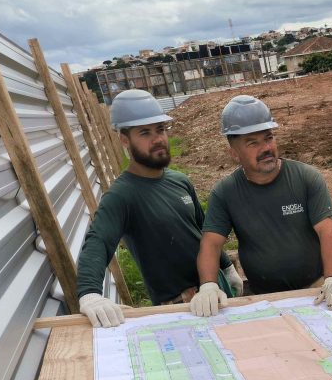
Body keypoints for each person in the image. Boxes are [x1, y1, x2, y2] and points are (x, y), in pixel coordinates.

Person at [76, 89, 242, 327]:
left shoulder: (179, 181)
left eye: (161, 130)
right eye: (145, 132)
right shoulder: (122, 195)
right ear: (125, 140)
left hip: (213, 288)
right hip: (179, 305)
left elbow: (202, 231)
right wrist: (89, 292)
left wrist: (226, 267)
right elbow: (98, 241)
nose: (158, 139)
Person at [191, 95, 332, 317]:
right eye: (252, 142)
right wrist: (208, 285)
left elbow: (328, 230)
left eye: (268, 137)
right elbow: (211, 244)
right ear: (234, 153)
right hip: (263, 298)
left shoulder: (306, 179)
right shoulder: (225, 193)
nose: (266, 148)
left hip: (314, 291)